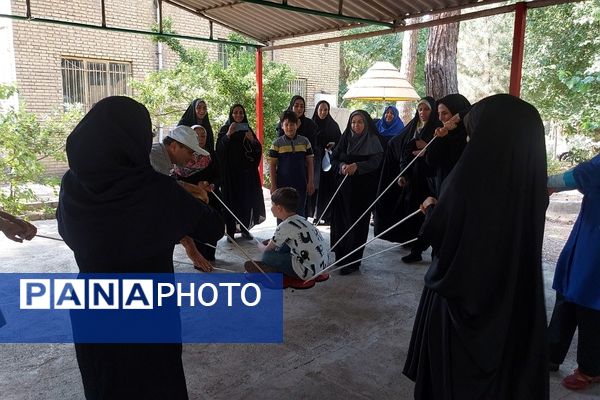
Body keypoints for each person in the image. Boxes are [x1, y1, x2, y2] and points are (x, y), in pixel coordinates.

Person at [56, 96, 224, 399]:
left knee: (105, 382)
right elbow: (212, 228)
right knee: (154, 382)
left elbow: (67, 233)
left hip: (92, 305)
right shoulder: (154, 189)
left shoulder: (71, 184)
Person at [403, 94, 549, 399]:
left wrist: (431, 208)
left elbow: (440, 232)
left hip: (461, 305)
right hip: (510, 301)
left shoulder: (468, 181)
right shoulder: (530, 185)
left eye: (473, 133)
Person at [546, 153, 600, 390]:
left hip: (596, 239)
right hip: (588, 228)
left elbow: (581, 175)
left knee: (590, 301)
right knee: (567, 290)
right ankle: (550, 354)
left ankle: (591, 369)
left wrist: (546, 181)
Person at [373, 97, 440, 248]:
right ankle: (408, 241)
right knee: (409, 208)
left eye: (427, 109)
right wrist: (402, 173)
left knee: (424, 211)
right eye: (420, 109)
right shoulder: (414, 126)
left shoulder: (437, 128)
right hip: (411, 176)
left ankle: (419, 246)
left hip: (428, 178)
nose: (422, 112)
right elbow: (398, 146)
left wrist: (428, 149)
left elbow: (442, 154)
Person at [149, 125, 213, 272]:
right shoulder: (154, 158)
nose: (192, 158)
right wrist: (190, 246)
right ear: (174, 146)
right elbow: (164, 206)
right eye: (190, 152)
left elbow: (171, 184)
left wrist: (195, 190)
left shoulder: (163, 158)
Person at [330, 110, 383, 275]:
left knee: (357, 223)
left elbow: (377, 162)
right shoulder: (345, 138)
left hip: (362, 190)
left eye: (360, 122)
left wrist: (358, 167)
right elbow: (335, 158)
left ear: (366, 124)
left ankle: (352, 261)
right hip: (343, 189)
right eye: (353, 122)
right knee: (341, 221)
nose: (356, 125)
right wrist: (342, 167)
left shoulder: (373, 140)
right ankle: (340, 255)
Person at [247, 187, 329, 287]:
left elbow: (266, 250)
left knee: (267, 256)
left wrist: (260, 246)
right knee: (284, 244)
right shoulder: (302, 220)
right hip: (321, 266)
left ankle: (271, 269)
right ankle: (272, 267)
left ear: (279, 208)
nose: (271, 207)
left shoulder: (284, 226)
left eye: (272, 204)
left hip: (307, 271)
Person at [173, 125, 224, 261]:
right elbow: (177, 179)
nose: (201, 138)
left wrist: (212, 185)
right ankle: (198, 257)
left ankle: (210, 254)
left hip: (211, 196)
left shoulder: (210, 154)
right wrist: (196, 187)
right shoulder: (181, 155)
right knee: (196, 225)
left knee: (212, 223)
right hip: (191, 197)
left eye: (203, 135)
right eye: (197, 136)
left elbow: (219, 174)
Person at [216, 104, 265, 240]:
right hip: (230, 175)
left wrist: (252, 140)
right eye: (235, 113)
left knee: (246, 202)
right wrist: (228, 135)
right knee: (231, 202)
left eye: (241, 113)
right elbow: (219, 151)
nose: (238, 115)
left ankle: (244, 228)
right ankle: (230, 232)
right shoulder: (225, 129)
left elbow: (257, 150)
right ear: (231, 115)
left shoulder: (247, 129)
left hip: (246, 174)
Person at [277, 95, 319, 217]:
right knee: (284, 204)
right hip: (285, 171)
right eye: (296, 105)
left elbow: (312, 148)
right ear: (291, 106)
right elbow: (279, 142)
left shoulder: (310, 124)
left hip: (303, 170)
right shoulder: (283, 123)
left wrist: (311, 180)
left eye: (301, 106)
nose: (299, 108)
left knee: (301, 205)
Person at [269, 110, 314, 217]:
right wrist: (273, 185)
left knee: (300, 214)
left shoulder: (305, 141)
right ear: (282, 126)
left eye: (292, 124)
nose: (290, 127)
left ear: (297, 125)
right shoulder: (276, 144)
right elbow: (272, 165)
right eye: (286, 124)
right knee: (282, 214)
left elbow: (310, 163)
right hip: (282, 185)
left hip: (301, 184)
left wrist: (311, 182)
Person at [425, 93, 471, 198]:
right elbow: (431, 160)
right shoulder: (443, 134)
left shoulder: (469, 135)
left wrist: (458, 117)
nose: (440, 118)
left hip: (461, 191)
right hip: (443, 189)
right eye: (439, 113)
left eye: (444, 113)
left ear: (456, 113)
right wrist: (439, 139)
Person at [311, 100, 342, 224]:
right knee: (314, 189)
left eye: (326, 110)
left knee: (326, 190)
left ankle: (327, 215)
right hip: (313, 162)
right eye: (320, 109)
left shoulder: (333, 125)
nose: (323, 112)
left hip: (328, 164)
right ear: (316, 110)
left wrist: (334, 145)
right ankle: (314, 215)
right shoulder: (310, 125)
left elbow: (340, 142)